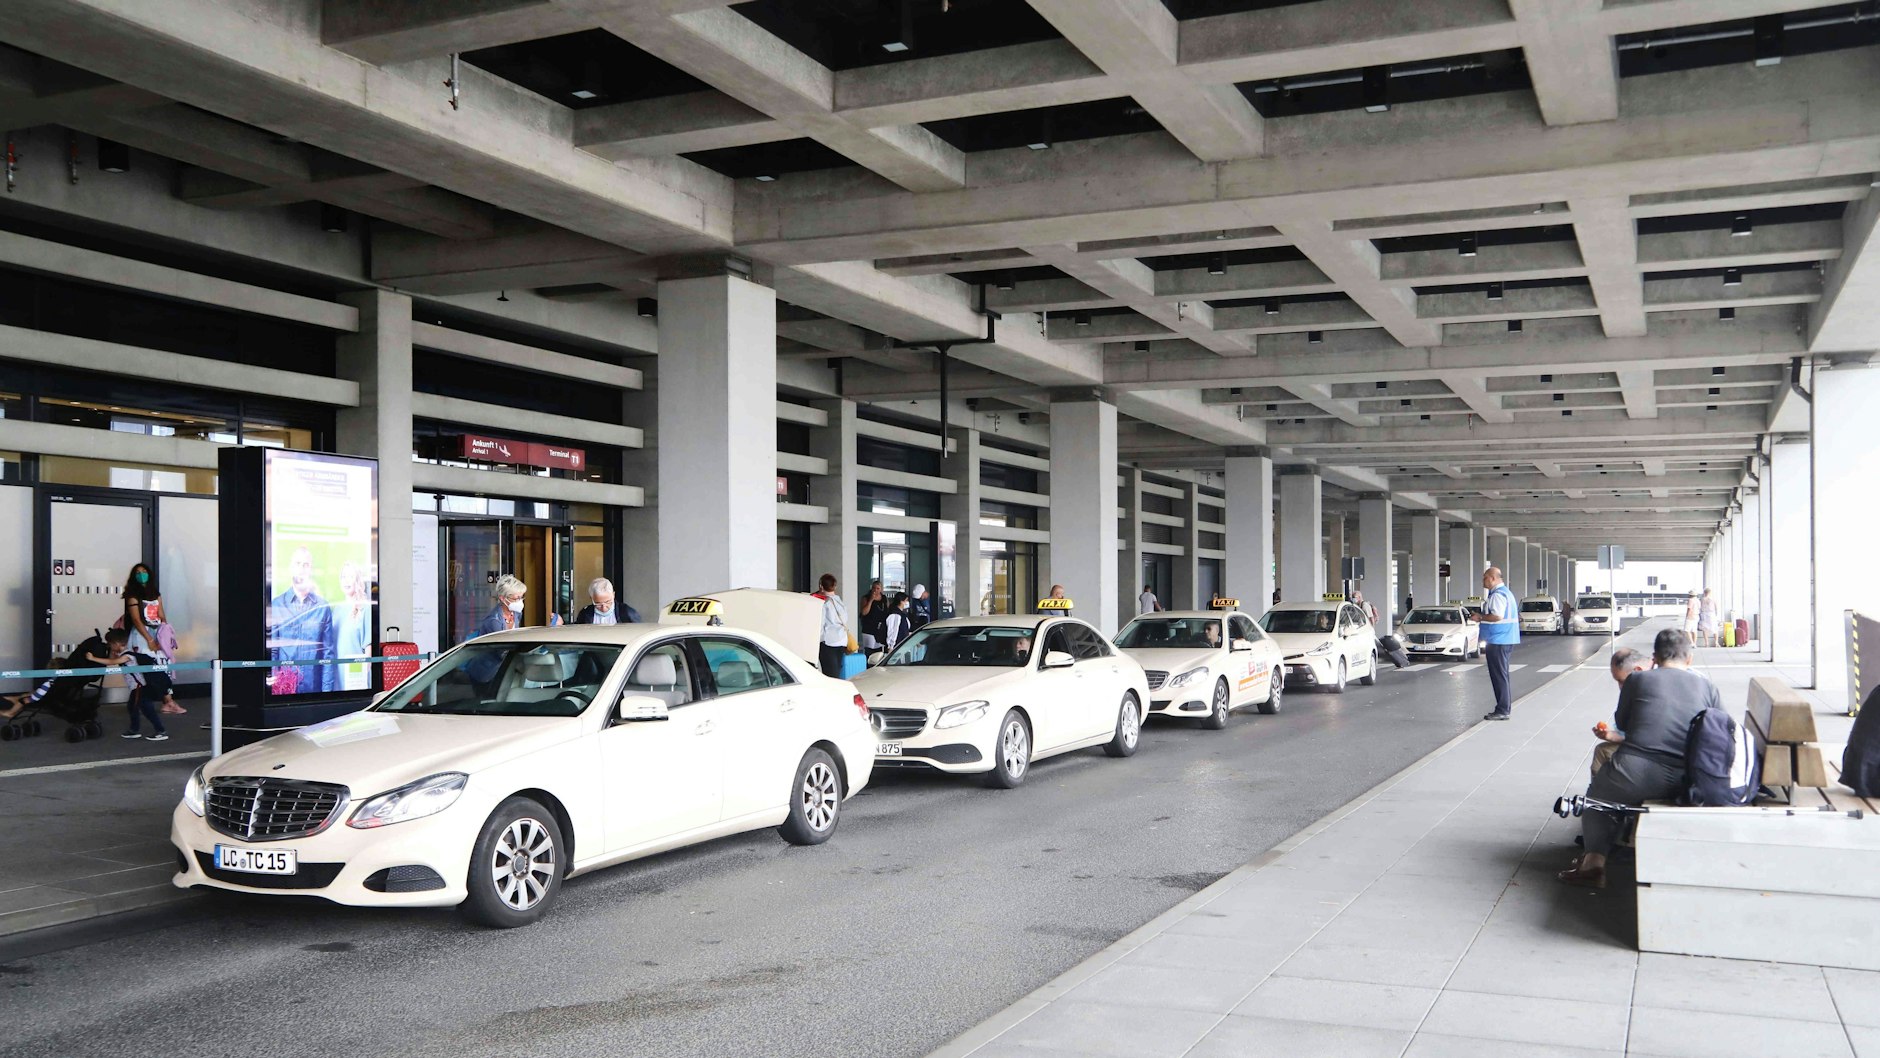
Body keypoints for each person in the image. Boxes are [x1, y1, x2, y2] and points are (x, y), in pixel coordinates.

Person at [1560, 630, 1721, 888]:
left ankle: (1593, 865)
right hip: (1688, 776)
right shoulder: (1707, 686)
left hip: (1636, 772)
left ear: (1654, 657)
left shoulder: (1638, 680)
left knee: (1596, 801)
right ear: (1689, 659)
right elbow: (1716, 728)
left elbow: (1623, 723)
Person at [1, 627, 133, 722]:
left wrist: (97, 658)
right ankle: (13, 708)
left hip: (53, 689)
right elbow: (110, 661)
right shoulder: (99, 653)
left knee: (36, 694)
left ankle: (14, 703)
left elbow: (110, 661)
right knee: (34, 695)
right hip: (57, 689)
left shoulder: (56, 680)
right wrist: (96, 659)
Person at [269, 547, 337, 694]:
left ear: (310, 569)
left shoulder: (322, 607)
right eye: (298, 564)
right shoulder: (277, 604)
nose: (301, 568)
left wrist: (326, 693)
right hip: (284, 689)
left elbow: (327, 654)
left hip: (313, 689)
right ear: (291, 568)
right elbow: (274, 650)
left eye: (306, 565)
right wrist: (273, 685)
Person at [121, 563, 182, 715]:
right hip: (142, 635)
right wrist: (149, 639)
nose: (141, 574)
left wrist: (165, 634)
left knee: (162, 667)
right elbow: (136, 619)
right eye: (138, 572)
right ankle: (142, 701)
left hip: (157, 632)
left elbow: (161, 615)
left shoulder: (155, 594)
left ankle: (168, 701)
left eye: (144, 571)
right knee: (144, 667)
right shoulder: (132, 595)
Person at [1467, 566, 1520, 721]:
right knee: (1501, 675)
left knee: (1499, 676)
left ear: (1492, 578)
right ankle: (1503, 708)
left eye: (1485, 577)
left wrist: (1480, 617)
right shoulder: (1506, 593)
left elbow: (1496, 616)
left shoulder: (1498, 595)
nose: (1483, 580)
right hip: (1504, 639)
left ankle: (1502, 710)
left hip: (1498, 639)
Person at [1592, 648, 1653, 778]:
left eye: (1621, 681)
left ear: (1637, 671)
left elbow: (1650, 736)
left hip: (1661, 755)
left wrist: (1618, 736)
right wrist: (1613, 736)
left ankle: (1597, 796)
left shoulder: (1651, 688)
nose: (1620, 687)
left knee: (1602, 752)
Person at [813, 573, 848, 677]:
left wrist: (816, 640)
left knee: (829, 674)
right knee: (836, 671)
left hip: (828, 641)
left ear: (821, 586)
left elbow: (820, 623)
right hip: (841, 640)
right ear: (835, 586)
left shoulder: (824, 603)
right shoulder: (840, 602)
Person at [859, 580, 887, 651]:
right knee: (870, 650)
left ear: (881, 589)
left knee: (880, 650)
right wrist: (871, 600)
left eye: (878, 588)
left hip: (881, 629)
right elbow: (864, 612)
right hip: (869, 628)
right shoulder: (866, 598)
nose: (875, 590)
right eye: (874, 588)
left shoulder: (884, 598)